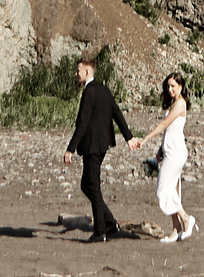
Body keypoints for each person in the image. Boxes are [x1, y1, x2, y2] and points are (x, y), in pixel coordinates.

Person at [62, 54, 132, 242]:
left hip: (92, 145)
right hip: (103, 144)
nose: (76, 74)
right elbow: (117, 112)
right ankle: (109, 222)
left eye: (78, 71)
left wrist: (70, 148)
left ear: (86, 71)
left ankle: (101, 231)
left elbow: (82, 123)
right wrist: (128, 137)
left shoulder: (89, 92)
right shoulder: (103, 89)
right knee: (88, 184)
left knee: (91, 185)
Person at [127, 71, 197, 242]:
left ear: (181, 86)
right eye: (168, 86)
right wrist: (159, 150)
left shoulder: (180, 104)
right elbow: (169, 130)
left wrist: (146, 139)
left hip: (176, 153)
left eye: (173, 86)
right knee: (172, 190)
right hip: (169, 151)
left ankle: (186, 218)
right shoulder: (174, 103)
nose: (170, 89)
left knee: (163, 190)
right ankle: (176, 229)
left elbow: (165, 124)